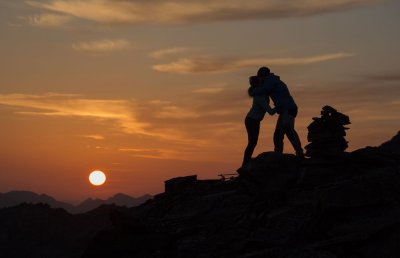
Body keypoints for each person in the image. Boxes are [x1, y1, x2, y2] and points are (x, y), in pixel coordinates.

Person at [250, 67, 304, 158]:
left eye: (259, 77)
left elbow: (263, 90)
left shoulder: (270, 81)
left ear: (263, 76)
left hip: (288, 109)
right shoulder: (271, 81)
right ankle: (278, 155)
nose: (259, 79)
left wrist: (252, 91)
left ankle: (299, 152)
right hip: (284, 110)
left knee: (288, 129)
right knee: (278, 134)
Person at [239, 75, 276, 171]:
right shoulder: (260, 97)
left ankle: (246, 162)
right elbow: (271, 112)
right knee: (252, 142)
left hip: (252, 120)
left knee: (252, 142)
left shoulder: (260, 93)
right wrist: (280, 106)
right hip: (252, 120)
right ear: (258, 84)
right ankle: (245, 163)